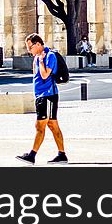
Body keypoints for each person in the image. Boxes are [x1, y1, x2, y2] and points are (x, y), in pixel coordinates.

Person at [17, 33, 68, 164]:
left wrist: (40, 61)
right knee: (52, 125)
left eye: (30, 47)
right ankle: (62, 155)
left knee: (40, 126)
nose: (29, 50)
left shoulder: (49, 56)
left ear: (38, 44)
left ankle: (32, 155)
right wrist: (37, 59)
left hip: (48, 95)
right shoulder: (38, 57)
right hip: (41, 95)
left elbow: (45, 75)